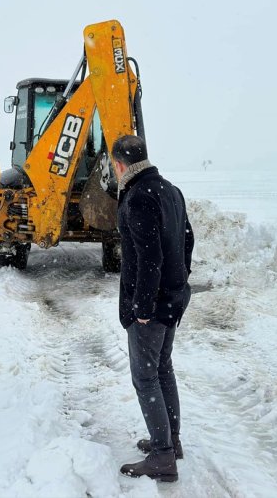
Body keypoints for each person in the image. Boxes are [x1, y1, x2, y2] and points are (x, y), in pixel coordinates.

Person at [112, 135, 194, 482]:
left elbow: (149, 258)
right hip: (173, 297)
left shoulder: (137, 197)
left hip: (153, 304)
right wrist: (179, 282)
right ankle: (170, 441)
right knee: (161, 369)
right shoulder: (169, 190)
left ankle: (162, 458)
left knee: (145, 377)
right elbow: (187, 238)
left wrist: (143, 306)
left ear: (119, 165)